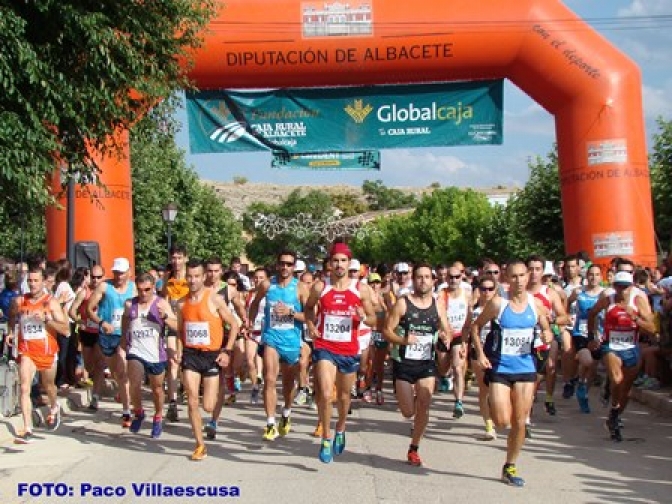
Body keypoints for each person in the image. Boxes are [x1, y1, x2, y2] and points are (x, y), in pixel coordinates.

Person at [471, 260, 553, 487]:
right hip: (500, 367)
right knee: (501, 421)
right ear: (507, 279)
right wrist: (480, 354)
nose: (518, 281)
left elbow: (547, 329)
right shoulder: (498, 303)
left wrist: (548, 335)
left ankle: (510, 465)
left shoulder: (535, 305)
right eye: (513, 276)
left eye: (521, 276)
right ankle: (492, 400)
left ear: (528, 277)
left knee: (520, 421)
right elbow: (476, 327)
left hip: (526, 368)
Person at [304, 242, 376, 464]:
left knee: (344, 397)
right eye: (335, 260)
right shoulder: (320, 287)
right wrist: (311, 324)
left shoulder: (360, 289)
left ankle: (341, 428)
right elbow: (308, 308)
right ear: (329, 263)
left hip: (348, 349)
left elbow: (374, 319)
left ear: (349, 263)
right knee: (325, 393)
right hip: (325, 346)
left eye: (343, 260)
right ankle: (326, 437)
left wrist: (363, 316)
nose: (339, 265)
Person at [383, 263, 451, 466]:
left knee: (424, 402)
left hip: (426, 363)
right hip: (403, 363)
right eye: (419, 277)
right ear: (414, 280)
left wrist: (446, 337)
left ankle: (414, 447)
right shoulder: (403, 304)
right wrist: (403, 341)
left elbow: (446, 328)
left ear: (433, 280)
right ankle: (409, 406)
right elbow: (387, 330)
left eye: (427, 277)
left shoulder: (438, 304)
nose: (423, 281)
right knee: (408, 412)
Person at [177, 259, 239, 461]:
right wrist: (179, 352)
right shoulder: (181, 303)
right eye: (190, 276)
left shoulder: (214, 299)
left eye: (196, 276)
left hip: (212, 356)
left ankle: (214, 406)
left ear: (204, 277)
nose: (193, 280)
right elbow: (180, 330)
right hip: (191, 355)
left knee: (208, 406)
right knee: (192, 400)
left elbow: (234, 325)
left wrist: (227, 351)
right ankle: (199, 444)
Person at [248, 250, 310, 441]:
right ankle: (269, 423)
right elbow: (254, 303)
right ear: (277, 264)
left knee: (288, 385)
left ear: (294, 266)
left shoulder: (300, 288)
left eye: (289, 264)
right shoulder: (267, 285)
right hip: (271, 338)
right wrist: (249, 323)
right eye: (282, 263)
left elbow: (310, 317)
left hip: (291, 342)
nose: (285, 267)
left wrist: (290, 313)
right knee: (269, 378)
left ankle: (286, 412)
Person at [588, 270, 655, 442]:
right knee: (617, 379)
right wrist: (592, 337)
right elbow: (592, 313)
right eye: (618, 286)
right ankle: (611, 388)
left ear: (631, 286)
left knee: (626, 389)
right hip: (611, 346)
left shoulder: (638, 300)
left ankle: (615, 415)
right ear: (614, 286)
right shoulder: (608, 299)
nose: (622, 290)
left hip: (631, 347)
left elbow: (652, 327)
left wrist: (635, 318)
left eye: (625, 287)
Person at [7, 265, 70, 443]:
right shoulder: (20, 301)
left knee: (49, 385)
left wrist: (47, 319)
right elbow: (12, 316)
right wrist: (11, 332)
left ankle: (54, 406)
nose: (32, 284)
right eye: (30, 281)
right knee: (25, 387)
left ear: (43, 282)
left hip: (47, 351)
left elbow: (65, 329)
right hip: (27, 351)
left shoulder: (50, 302)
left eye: (36, 281)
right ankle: (28, 429)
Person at [121, 272, 177, 438]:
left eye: (147, 289)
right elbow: (125, 320)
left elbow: (177, 324)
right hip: (135, 350)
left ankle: (158, 416)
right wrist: (124, 338)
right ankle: (138, 412)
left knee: (157, 389)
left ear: (153, 287)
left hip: (156, 354)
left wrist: (165, 317)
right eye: (140, 290)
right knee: (134, 383)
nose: (143, 293)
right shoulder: (130, 304)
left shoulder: (161, 303)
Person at [87, 257, 136, 427]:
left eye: (121, 273)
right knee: (116, 373)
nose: (118, 276)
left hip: (126, 336)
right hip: (108, 335)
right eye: (116, 272)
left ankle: (126, 412)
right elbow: (89, 309)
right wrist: (102, 322)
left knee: (122, 373)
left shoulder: (134, 288)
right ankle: (123, 394)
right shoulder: (104, 287)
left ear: (128, 272)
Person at [565, 264, 604, 413]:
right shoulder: (578, 291)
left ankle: (583, 391)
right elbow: (566, 304)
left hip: (598, 333)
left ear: (601, 277)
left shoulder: (604, 293)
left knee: (593, 366)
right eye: (591, 274)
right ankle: (579, 380)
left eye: (597, 274)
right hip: (580, 332)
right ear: (586, 276)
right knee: (587, 360)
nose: (593, 277)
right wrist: (567, 315)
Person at [69, 265, 106, 410]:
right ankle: (93, 387)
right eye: (93, 277)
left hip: (101, 331)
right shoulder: (84, 292)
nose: (96, 280)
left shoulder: (106, 291)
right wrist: (80, 321)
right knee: (89, 365)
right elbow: (72, 311)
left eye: (99, 277)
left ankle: (95, 397)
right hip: (86, 332)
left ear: (103, 276)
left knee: (99, 364)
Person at [437, 265, 471, 417]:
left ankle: (458, 402)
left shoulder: (467, 294)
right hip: (444, 335)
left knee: (458, 368)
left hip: (459, 335)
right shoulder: (441, 294)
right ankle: (444, 377)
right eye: (450, 277)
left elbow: (470, 318)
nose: (453, 280)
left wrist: (465, 339)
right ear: (446, 278)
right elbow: (436, 316)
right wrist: (440, 332)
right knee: (444, 367)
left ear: (461, 277)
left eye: (457, 277)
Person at [161, 244, 190, 422]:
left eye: (179, 258)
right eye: (174, 258)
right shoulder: (167, 278)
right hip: (172, 325)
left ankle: (186, 389)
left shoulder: (192, 277)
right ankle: (172, 403)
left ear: (185, 258)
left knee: (186, 364)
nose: (176, 261)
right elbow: (164, 299)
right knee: (172, 362)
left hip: (190, 326)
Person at [470, 275, 499, 440]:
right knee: (484, 390)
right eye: (483, 289)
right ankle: (488, 425)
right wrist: (465, 349)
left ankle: (498, 416)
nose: (487, 292)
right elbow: (469, 328)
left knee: (498, 390)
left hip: (496, 353)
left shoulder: (500, 308)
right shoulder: (474, 310)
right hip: (479, 352)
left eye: (490, 289)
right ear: (478, 291)